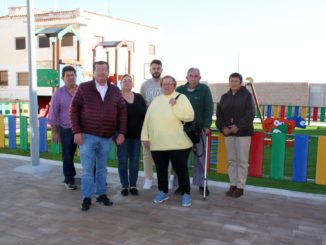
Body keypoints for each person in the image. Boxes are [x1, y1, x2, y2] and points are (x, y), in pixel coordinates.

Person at [70, 61, 127, 211]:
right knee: (88, 169)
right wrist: (76, 131)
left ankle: (101, 194)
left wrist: (121, 132)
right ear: (93, 72)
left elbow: (122, 112)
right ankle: (87, 197)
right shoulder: (84, 88)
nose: (101, 72)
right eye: (98, 70)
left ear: (108, 72)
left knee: (102, 168)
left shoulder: (115, 90)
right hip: (87, 136)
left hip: (106, 137)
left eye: (104, 70)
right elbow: (73, 109)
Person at [141, 75, 194, 207]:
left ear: (174, 85)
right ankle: (163, 191)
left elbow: (189, 116)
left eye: (170, 84)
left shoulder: (181, 98)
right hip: (158, 143)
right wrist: (145, 136)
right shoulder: (156, 100)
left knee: (181, 169)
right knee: (161, 169)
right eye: (164, 84)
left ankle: (186, 193)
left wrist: (175, 106)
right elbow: (147, 119)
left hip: (179, 144)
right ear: (161, 86)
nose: (167, 86)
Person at [216, 72, 255, 198]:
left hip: (242, 133)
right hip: (228, 133)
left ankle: (240, 187)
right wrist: (223, 127)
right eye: (231, 80)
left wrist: (238, 126)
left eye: (236, 81)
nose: (233, 83)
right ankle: (232, 184)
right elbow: (219, 114)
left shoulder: (247, 95)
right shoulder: (224, 97)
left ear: (240, 82)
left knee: (242, 161)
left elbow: (250, 114)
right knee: (231, 160)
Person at [176, 68, 213, 196]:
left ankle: (202, 185)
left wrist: (207, 125)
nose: (193, 78)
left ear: (200, 78)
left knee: (200, 158)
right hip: (182, 130)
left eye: (196, 76)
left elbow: (209, 108)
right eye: (191, 76)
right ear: (187, 77)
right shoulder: (179, 90)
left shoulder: (204, 90)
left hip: (199, 130)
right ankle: (181, 185)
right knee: (180, 159)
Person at [140, 59, 173, 190]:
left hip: (166, 124)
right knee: (147, 152)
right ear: (150, 70)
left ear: (161, 69)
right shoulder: (145, 85)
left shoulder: (167, 83)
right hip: (150, 123)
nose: (156, 70)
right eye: (154, 68)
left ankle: (167, 177)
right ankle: (148, 178)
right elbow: (142, 105)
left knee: (167, 152)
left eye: (158, 68)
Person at [48, 65, 78, 190]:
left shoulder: (81, 90)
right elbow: (53, 113)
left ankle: (93, 178)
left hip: (82, 129)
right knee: (67, 155)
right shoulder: (58, 93)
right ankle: (69, 179)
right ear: (63, 78)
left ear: (76, 76)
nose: (70, 78)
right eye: (68, 76)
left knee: (89, 154)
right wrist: (55, 132)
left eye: (72, 75)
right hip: (66, 129)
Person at [118, 74, 147, 196]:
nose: (127, 83)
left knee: (135, 161)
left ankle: (133, 185)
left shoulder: (139, 97)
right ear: (121, 84)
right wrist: (116, 134)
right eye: (125, 81)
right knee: (123, 161)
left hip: (136, 136)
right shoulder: (116, 98)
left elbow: (145, 116)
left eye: (130, 81)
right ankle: (125, 186)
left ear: (133, 83)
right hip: (122, 136)